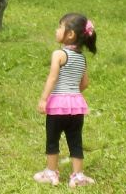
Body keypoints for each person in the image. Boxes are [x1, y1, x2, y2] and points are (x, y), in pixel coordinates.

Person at [34, 13, 98, 188]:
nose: (57, 30)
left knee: (52, 140)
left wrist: (43, 99)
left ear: (70, 34)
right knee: (75, 141)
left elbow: (52, 78)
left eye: (60, 27)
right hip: (76, 106)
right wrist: (72, 94)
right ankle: (77, 176)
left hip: (57, 107)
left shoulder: (59, 54)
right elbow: (84, 83)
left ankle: (51, 173)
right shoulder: (81, 58)